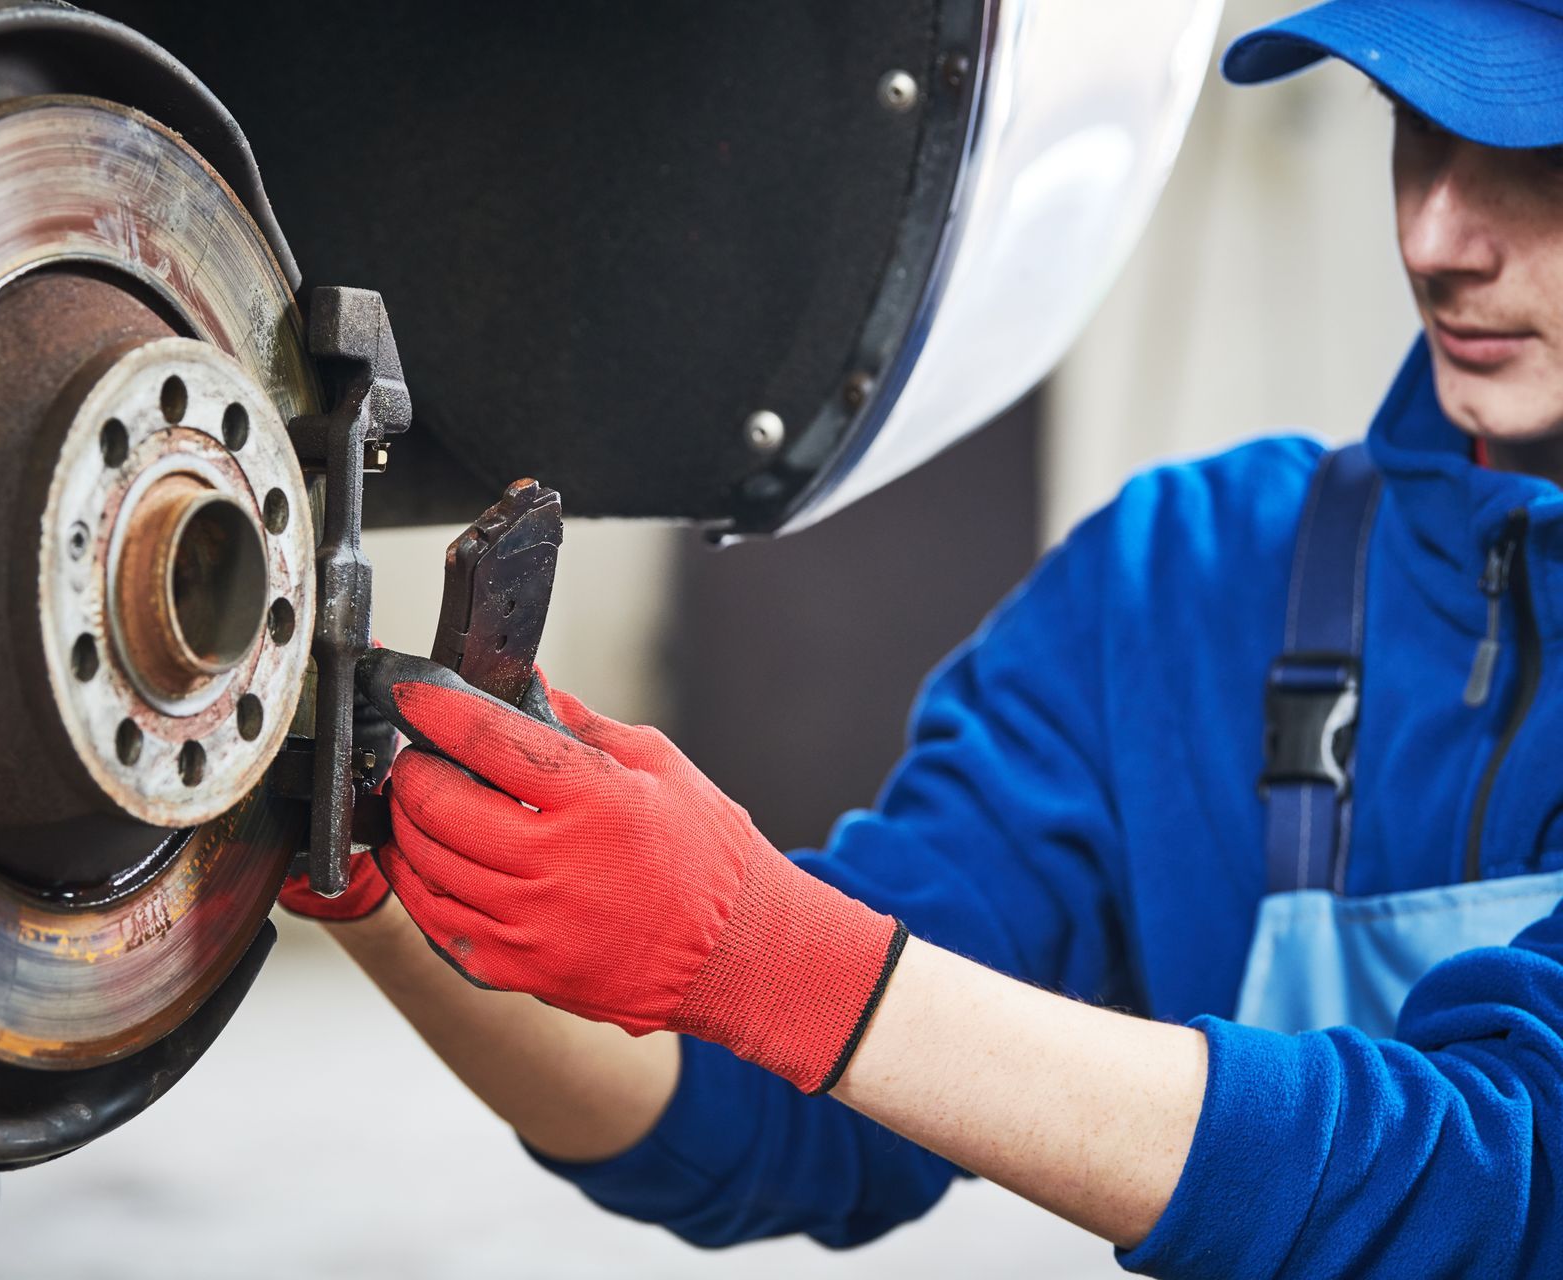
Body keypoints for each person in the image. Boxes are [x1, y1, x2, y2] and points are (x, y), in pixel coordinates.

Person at [279, 2, 1563, 1274]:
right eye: (1414, 129)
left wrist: (772, 951)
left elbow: (1500, 1188)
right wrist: (378, 867)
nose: (1434, 234)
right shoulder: (1189, 581)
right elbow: (791, 1112)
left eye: (1528, 151)